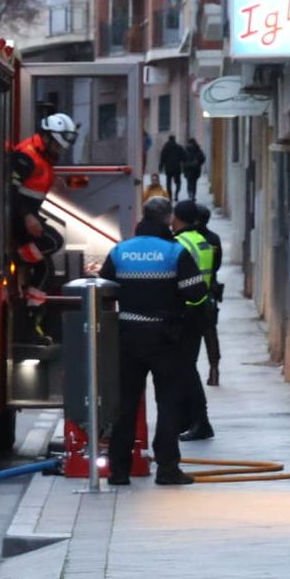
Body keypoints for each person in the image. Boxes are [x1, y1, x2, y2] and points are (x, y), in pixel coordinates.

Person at [100, 195, 208, 485]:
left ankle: (118, 471)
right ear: (166, 219)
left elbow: (104, 289)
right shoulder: (174, 253)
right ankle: (167, 468)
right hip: (165, 339)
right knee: (168, 403)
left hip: (127, 338)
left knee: (125, 404)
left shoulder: (121, 251)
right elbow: (196, 293)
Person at [11, 113, 80, 307]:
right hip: (18, 216)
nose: (58, 150)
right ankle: (16, 258)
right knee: (53, 241)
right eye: (57, 145)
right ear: (48, 137)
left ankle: (31, 315)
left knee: (45, 270)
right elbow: (10, 189)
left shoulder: (43, 156)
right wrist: (27, 216)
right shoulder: (26, 155)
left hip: (27, 214)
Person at [172, 200, 218, 441]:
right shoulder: (203, 242)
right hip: (200, 310)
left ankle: (199, 422)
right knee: (187, 368)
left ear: (176, 218)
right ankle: (191, 421)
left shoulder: (180, 244)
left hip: (185, 312)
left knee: (185, 369)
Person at [196, 204, 225, 387]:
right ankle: (214, 369)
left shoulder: (187, 240)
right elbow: (217, 265)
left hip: (189, 293)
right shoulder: (214, 238)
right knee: (210, 332)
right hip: (210, 291)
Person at [158, 136, 185, 200]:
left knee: (168, 182)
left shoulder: (165, 148)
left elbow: (162, 159)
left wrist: (160, 167)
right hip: (177, 167)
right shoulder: (179, 147)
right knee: (178, 182)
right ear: (174, 140)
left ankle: (170, 196)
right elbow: (184, 157)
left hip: (168, 167)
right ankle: (176, 194)